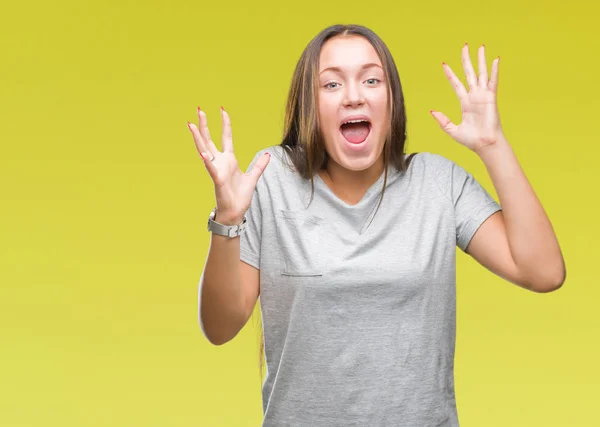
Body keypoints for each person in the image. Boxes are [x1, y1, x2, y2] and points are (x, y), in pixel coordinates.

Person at [191, 24, 566, 427]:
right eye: (331, 84)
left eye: (371, 80)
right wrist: (228, 220)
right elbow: (220, 327)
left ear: (391, 100)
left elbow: (543, 272)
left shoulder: (437, 183)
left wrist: (493, 146)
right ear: (308, 106)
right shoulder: (272, 178)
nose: (354, 95)